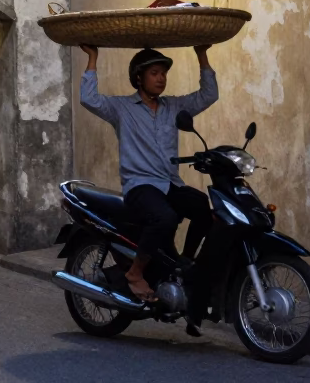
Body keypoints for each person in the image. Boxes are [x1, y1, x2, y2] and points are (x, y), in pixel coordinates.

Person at [78, 43, 217, 305]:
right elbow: (89, 99)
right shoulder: (121, 108)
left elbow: (208, 95)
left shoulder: (174, 107)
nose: (161, 78)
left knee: (202, 206)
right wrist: (93, 57)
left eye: (163, 73)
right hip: (140, 186)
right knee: (164, 218)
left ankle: (184, 262)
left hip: (169, 183)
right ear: (139, 77)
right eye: (154, 73)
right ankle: (135, 272)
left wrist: (202, 55)